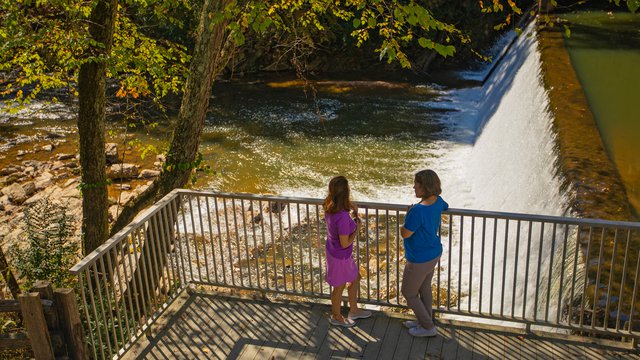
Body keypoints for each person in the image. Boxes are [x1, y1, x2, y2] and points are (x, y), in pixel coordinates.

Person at [400, 169, 449, 337]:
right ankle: (425, 320)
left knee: (408, 292)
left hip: (419, 259)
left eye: (417, 184)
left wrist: (407, 216)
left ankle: (428, 327)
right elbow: (445, 206)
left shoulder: (417, 210)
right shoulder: (438, 201)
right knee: (424, 288)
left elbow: (405, 233)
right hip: (433, 254)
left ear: (425, 187)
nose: (414, 187)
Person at [323, 176, 372, 327]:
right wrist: (357, 230)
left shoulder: (329, 205)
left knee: (355, 278)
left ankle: (354, 310)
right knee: (339, 287)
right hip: (340, 255)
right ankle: (336, 317)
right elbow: (345, 243)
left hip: (335, 252)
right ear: (346, 193)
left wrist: (351, 206)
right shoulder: (343, 217)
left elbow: (339, 203)